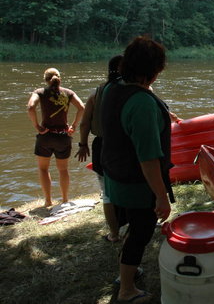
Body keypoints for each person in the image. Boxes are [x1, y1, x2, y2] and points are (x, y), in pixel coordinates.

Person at [100, 36, 175, 303]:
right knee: (141, 232)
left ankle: (126, 273)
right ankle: (127, 290)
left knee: (133, 226)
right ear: (154, 70)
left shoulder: (113, 88)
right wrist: (161, 196)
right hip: (136, 182)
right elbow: (148, 158)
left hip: (114, 175)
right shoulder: (142, 104)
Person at [75, 55, 124, 243]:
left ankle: (114, 233)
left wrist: (83, 144)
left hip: (101, 145)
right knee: (129, 185)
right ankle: (134, 224)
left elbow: (84, 123)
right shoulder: (131, 90)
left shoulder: (96, 93)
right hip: (123, 146)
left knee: (107, 192)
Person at [27, 68, 85, 207]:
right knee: (63, 169)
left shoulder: (40, 92)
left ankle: (48, 201)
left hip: (45, 136)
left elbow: (30, 107)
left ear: (45, 79)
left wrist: (37, 126)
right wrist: (74, 126)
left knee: (43, 169)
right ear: (60, 78)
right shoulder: (69, 93)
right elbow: (82, 107)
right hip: (63, 137)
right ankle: (65, 200)